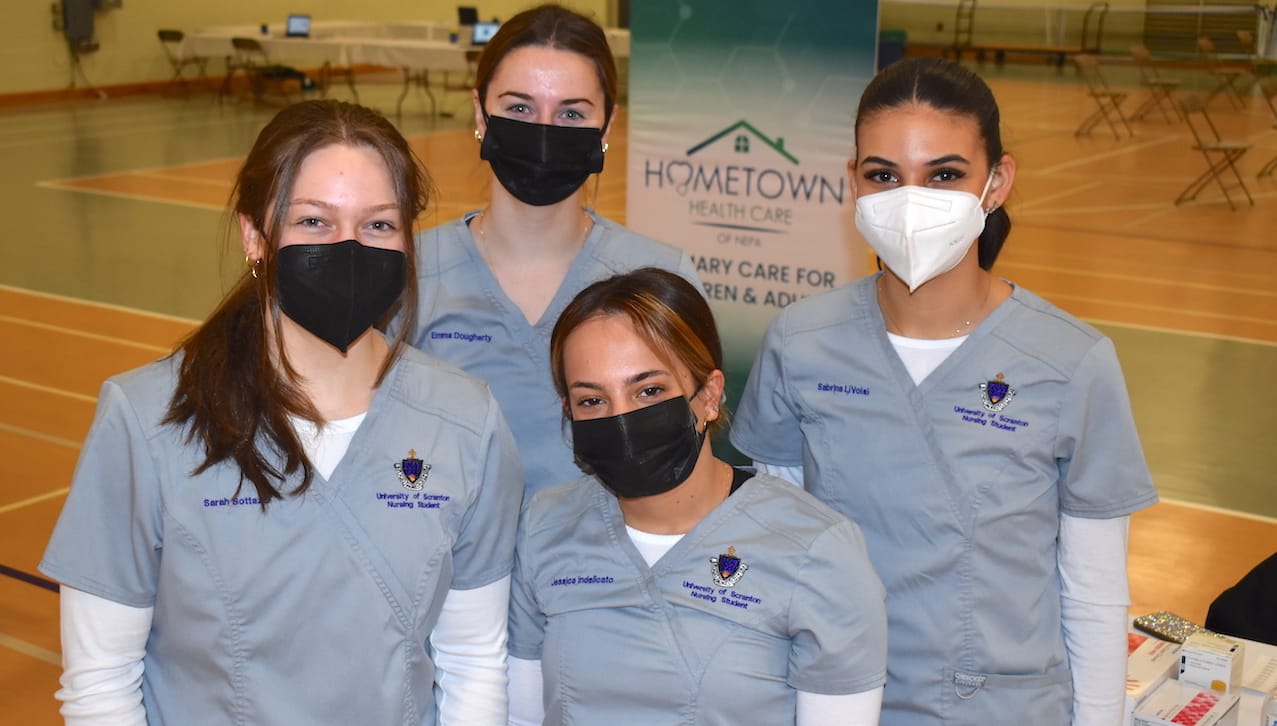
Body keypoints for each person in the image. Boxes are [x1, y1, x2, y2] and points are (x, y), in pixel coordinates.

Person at [38, 100, 523, 725]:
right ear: (255, 235)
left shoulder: (464, 419)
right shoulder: (147, 420)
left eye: (378, 225)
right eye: (315, 222)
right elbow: (100, 685)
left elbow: (474, 662)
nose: (348, 247)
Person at [731, 57, 1158, 725]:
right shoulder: (800, 342)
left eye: (943, 175)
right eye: (883, 175)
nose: (910, 198)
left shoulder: (1071, 361)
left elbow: (1094, 591)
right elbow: (776, 552)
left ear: (996, 184)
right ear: (853, 184)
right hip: (835, 701)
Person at [507, 267, 887, 725]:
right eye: (592, 400)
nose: (622, 418)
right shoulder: (546, 527)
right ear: (568, 409)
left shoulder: (816, 550)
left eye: (649, 391)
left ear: (709, 395)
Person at [402, 4, 700, 499]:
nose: (544, 130)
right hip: (452, 565)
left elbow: (686, 465)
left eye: (571, 113)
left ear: (606, 126)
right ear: (481, 113)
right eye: (519, 108)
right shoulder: (408, 272)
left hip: (603, 570)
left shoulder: (663, 275)